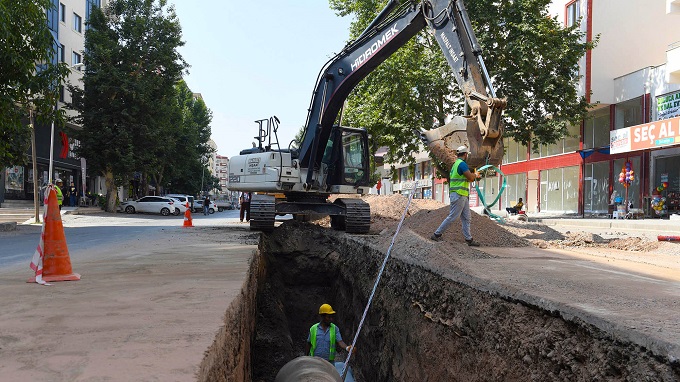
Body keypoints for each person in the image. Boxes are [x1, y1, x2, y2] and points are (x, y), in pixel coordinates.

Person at [430, 145, 481, 246]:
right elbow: (470, 178)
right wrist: (476, 175)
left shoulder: (455, 165)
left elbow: (465, 178)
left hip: (462, 196)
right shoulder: (462, 164)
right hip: (459, 195)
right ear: (465, 154)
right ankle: (436, 234)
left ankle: (469, 239)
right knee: (453, 216)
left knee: (467, 218)